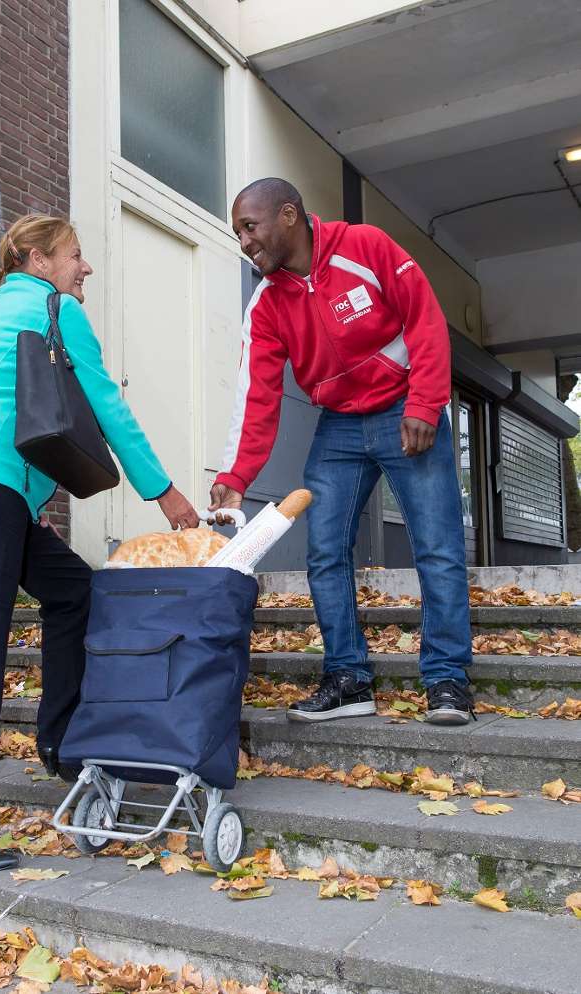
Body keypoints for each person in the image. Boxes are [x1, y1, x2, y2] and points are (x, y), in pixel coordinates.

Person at [0, 214, 199, 872]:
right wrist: (165, 493)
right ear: (40, 261)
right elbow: (104, 405)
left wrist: (25, 501)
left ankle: (63, 742)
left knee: (74, 591)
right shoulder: (54, 307)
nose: (84, 268)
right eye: (75, 255)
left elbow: (4, 407)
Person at [209, 178, 474, 726]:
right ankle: (347, 678)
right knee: (325, 550)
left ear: (288, 214)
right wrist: (237, 474)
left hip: (405, 409)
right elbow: (256, 393)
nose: (244, 241)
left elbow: (424, 320)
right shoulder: (266, 303)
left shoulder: (366, 247)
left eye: (249, 227)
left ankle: (447, 680)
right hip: (340, 427)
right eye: (237, 232)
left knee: (438, 546)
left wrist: (426, 403)